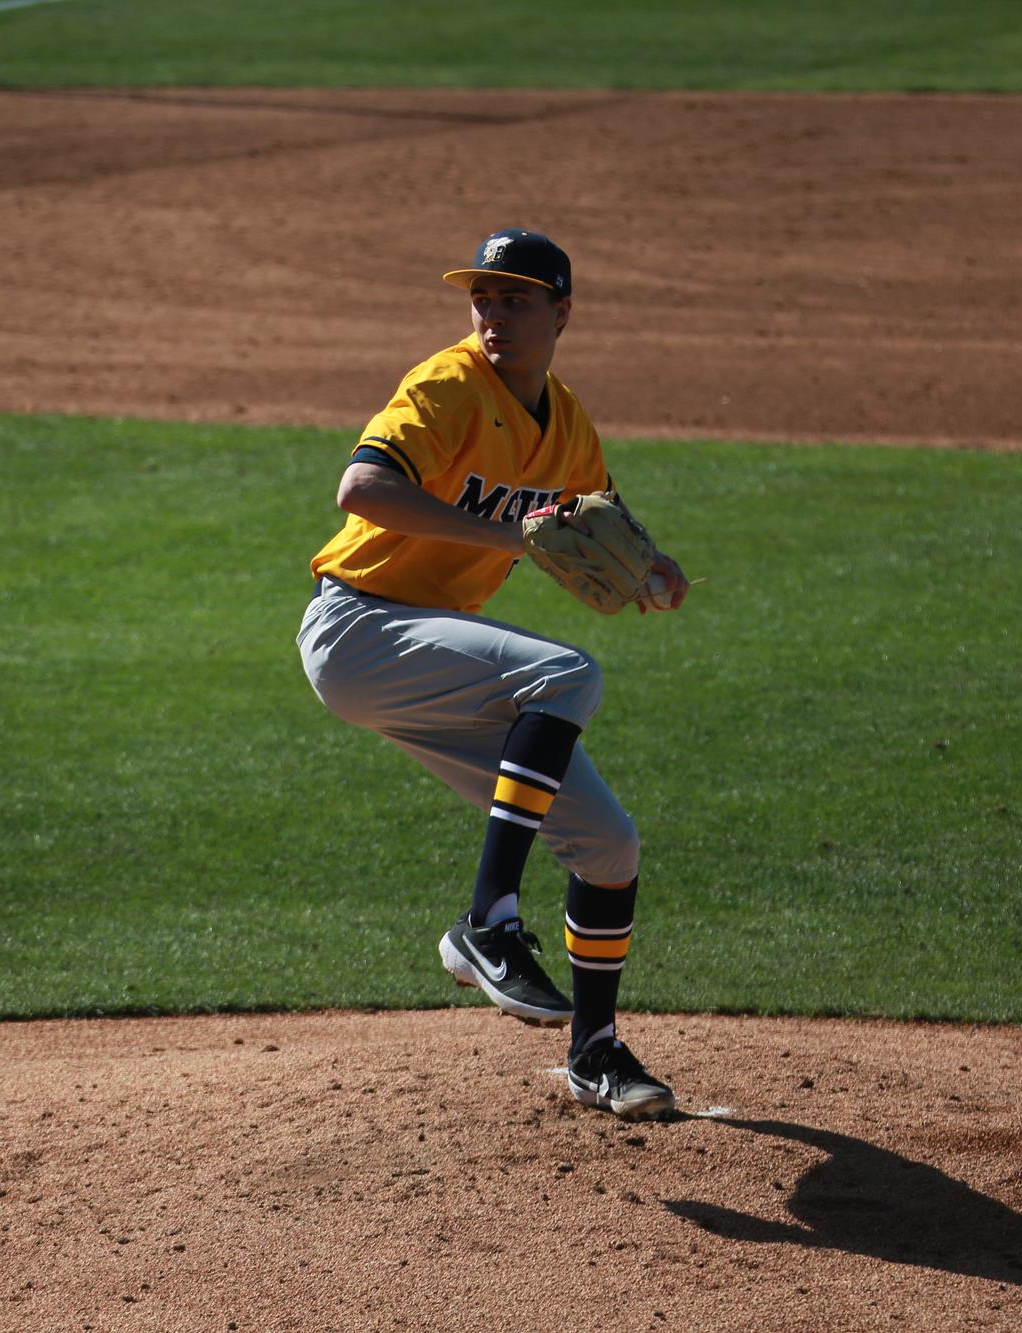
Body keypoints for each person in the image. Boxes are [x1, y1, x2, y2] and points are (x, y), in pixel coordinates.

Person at [295, 227, 690, 1120]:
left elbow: (603, 513)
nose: (494, 313)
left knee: (609, 844)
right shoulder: (447, 385)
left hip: (433, 659)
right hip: (359, 628)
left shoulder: (568, 420)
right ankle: (488, 921)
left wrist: (655, 567)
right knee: (564, 673)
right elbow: (359, 491)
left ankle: (595, 1053)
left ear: (562, 312)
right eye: (484, 296)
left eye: (516, 297)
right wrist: (512, 536)